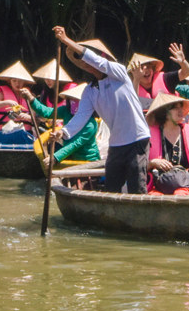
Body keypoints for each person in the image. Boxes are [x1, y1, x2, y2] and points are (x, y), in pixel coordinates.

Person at [50, 27, 151, 194]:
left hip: (137, 138)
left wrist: (65, 40)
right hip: (117, 143)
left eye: (88, 58)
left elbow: (98, 61)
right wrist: (63, 132)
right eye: (83, 61)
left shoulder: (118, 73)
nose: (86, 64)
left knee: (137, 188)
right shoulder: (90, 91)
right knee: (111, 188)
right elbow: (81, 116)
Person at [25, 83, 99, 164]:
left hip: (87, 160)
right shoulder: (66, 111)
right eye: (72, 99)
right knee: (51, 147)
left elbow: (75, 144)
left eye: (77, 100)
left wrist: (55, 158)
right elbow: (48, 112)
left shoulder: (91, 124)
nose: (74, 102)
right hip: (70, 156)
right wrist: (31, 99)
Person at [145, 93, 189, 194]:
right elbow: (137, 165)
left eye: (181, 107)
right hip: (158, 187)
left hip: (185, 187)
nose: (181, 111)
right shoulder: (148, 136)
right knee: (154, 199)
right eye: (175, 108)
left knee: (179, 195)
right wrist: (153, 162)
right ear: (164, 113)